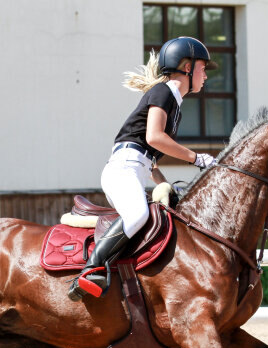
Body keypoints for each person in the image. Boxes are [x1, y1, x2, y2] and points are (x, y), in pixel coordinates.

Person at [68, 36, 219, 301]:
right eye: (203, 68)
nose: (205, 75)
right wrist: (197, 158)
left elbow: (152, 161)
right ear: (187, 67)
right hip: (123, 169)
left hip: (135, 168)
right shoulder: (163, 92)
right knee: (138, 214)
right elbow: (154, 138)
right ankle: (90, 269)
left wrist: (165, 185)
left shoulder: (174, 103)